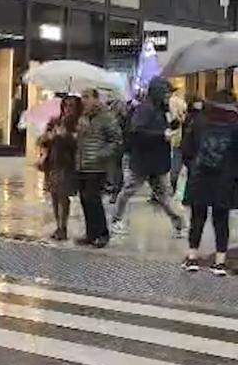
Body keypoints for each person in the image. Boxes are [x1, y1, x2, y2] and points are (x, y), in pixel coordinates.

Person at [109, 77, 184, 238]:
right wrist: (161, 135)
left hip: (156, 160)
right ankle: (116, 220)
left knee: (163, 195)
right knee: (130, 190)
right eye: (166, 93)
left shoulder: (160, 109)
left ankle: (179, 224)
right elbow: (137, 131)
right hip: (144, 160)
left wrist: (173, 125)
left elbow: (157, 128)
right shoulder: (145, 109)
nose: (168, 97)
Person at [179, 91, 238, 276]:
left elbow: (186, 150)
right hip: (225, 179)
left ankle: (192, 258)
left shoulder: (199, 121)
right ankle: (220, 262)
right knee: (221, 220)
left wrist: (194, 167)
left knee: (197, 217)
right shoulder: (236, 125)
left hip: (200, 177)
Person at [75, 89, 122, 248]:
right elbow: (81, 140)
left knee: (93, 199)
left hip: (97, 166)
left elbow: (116, 140)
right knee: (84, 199)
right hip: (82, 164)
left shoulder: (106, 117)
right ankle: (91, 233)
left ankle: (102, 233)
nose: (84, 100)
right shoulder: (84, 117)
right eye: (83, 97)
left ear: (96, 99)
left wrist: (101, 154)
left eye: (87, 97)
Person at [37, 95, 81, 241]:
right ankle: (58, 225)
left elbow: (78, 145)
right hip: (53, 163)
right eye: (66, 105)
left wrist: (66, 136)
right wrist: (48, 137)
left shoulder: (78, 123)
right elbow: (41, 141)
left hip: (67, 164)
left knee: (63, 195)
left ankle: (63, 226)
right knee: (54, 195)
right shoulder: (55, 121)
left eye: (71, 106)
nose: (68, 109)